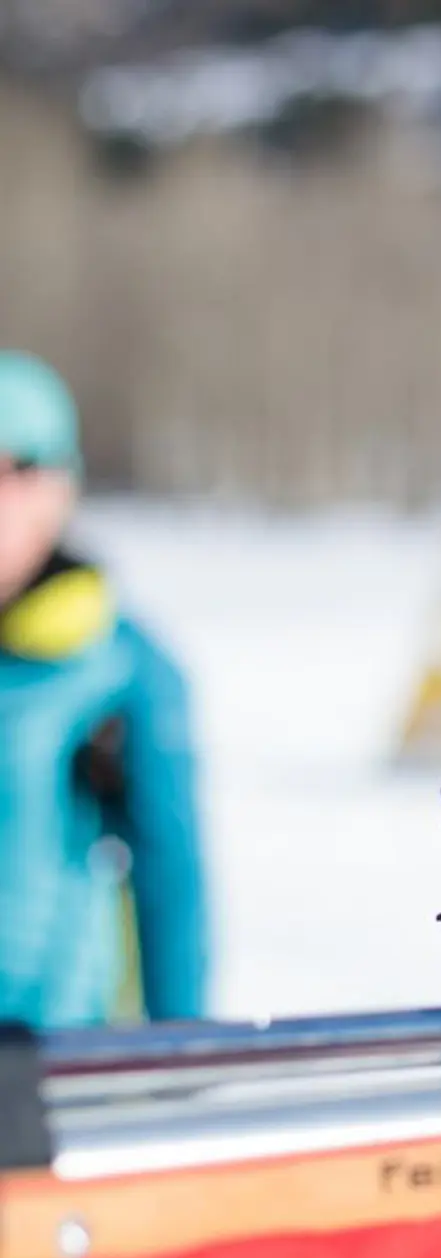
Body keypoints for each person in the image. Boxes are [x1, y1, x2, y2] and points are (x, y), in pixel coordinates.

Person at [0, 350, 209, 1028]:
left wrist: (183, 1060)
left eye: (16, 470)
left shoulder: (122, 665)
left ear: (61, 486)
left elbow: (170, 879)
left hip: (48, 1062)